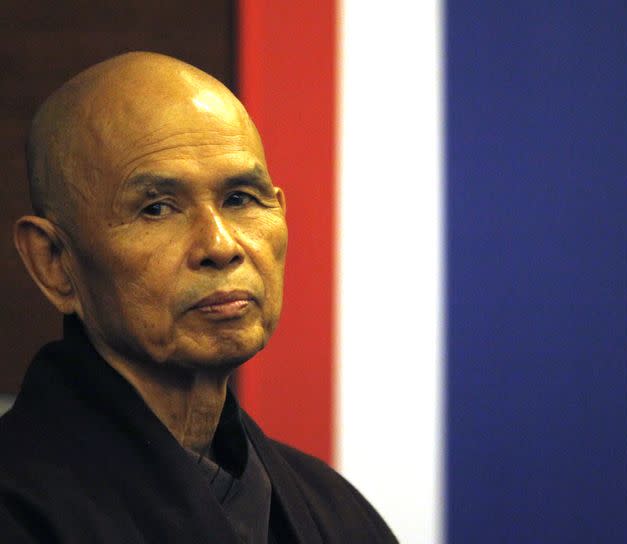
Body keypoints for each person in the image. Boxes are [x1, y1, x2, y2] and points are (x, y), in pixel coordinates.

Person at [0, 52, 397, 543]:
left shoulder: (337, 513)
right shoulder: (20, 508)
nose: (221, 245)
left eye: (240, 199)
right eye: (157, 209)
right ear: (54, 262)